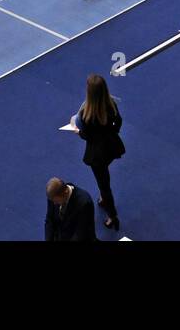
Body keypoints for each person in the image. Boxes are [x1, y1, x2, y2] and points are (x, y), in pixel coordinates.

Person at [70, 74, 125, 231]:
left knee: (104, 184)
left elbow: (85, 135)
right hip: (111, 146)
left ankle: (112, 216)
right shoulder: (111, 104)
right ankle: (104, 199)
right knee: (104, 176)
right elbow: (118, 121)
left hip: (97, 154)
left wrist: (77, 131)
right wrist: (112, 132)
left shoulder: (86, 114)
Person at [44, 177, 96, 241]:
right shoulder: (53, 195)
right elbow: (49, 220)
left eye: (57, 201)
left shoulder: (84, 204)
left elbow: (80, 233)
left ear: (65, 192)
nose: (54, 203)